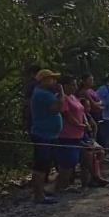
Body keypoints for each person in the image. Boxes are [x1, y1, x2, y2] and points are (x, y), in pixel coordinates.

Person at [28, 69, 64, 204]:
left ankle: (41, 191)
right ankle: (38, 194)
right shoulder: (42, 94)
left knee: (46, 165)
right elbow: (57, 107)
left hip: (49, 134)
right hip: (43, 134)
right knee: (41, 165)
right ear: (43, 80)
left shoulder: (45, 93)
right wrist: (61, 93)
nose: (54, 81)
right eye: (51, 79)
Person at [54, 75, 87, 191]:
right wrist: (79, 125)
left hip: (78, 134)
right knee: (67, 162)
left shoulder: (73, 97)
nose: (75, 87)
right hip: (67, 134)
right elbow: (67, 115)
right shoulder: (63, 98)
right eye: (73, 84)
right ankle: (59, 186)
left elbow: (81, 111)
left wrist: (86, 123)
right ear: (65, 86)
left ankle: (67, 184)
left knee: (75, 160)